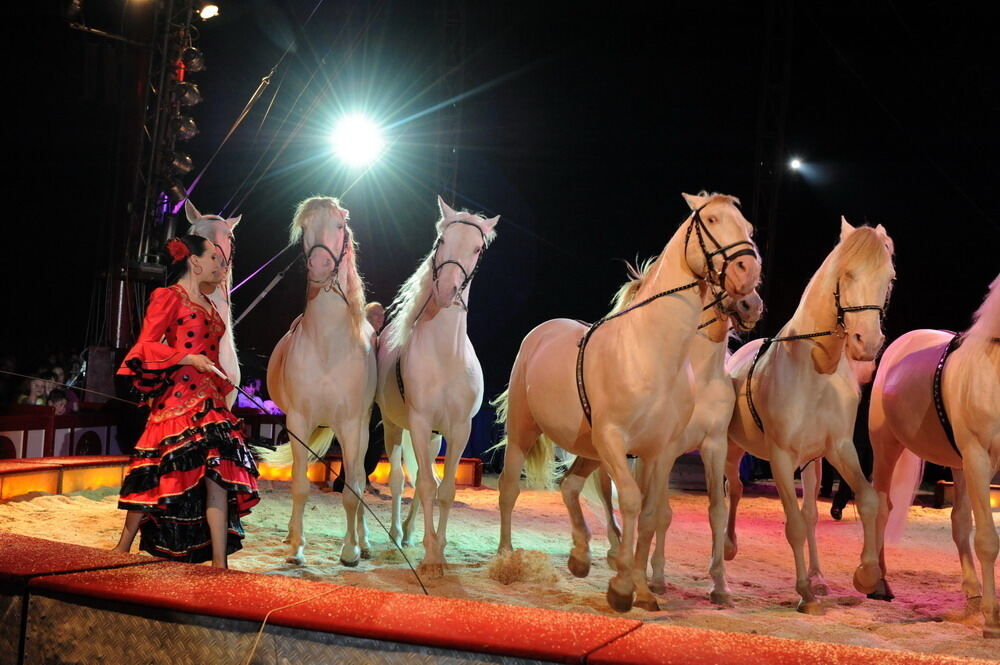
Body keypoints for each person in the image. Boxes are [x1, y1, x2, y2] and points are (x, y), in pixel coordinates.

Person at [112, 235, 259, 567]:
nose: (223, 267)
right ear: (195, 262)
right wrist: (186, 357)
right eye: (217, 260)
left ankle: (220, 563)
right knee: (155, 474)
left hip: (210, 402)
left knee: (218, 478)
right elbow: (145, 347)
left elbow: (210, 355)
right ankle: (122, 547)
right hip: (176, 402)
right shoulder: (169, 297)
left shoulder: (210, 305)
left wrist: (221, 376)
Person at [332, 302, 386, 494]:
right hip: (358, 396)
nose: (381, 318)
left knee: (373, 439)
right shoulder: (359, 336)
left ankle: (362, 477)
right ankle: (345, 481)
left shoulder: (378, 338)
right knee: (354, 439)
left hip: (375, 398)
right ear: (367, 316)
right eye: (377, 315)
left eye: (382, 315)